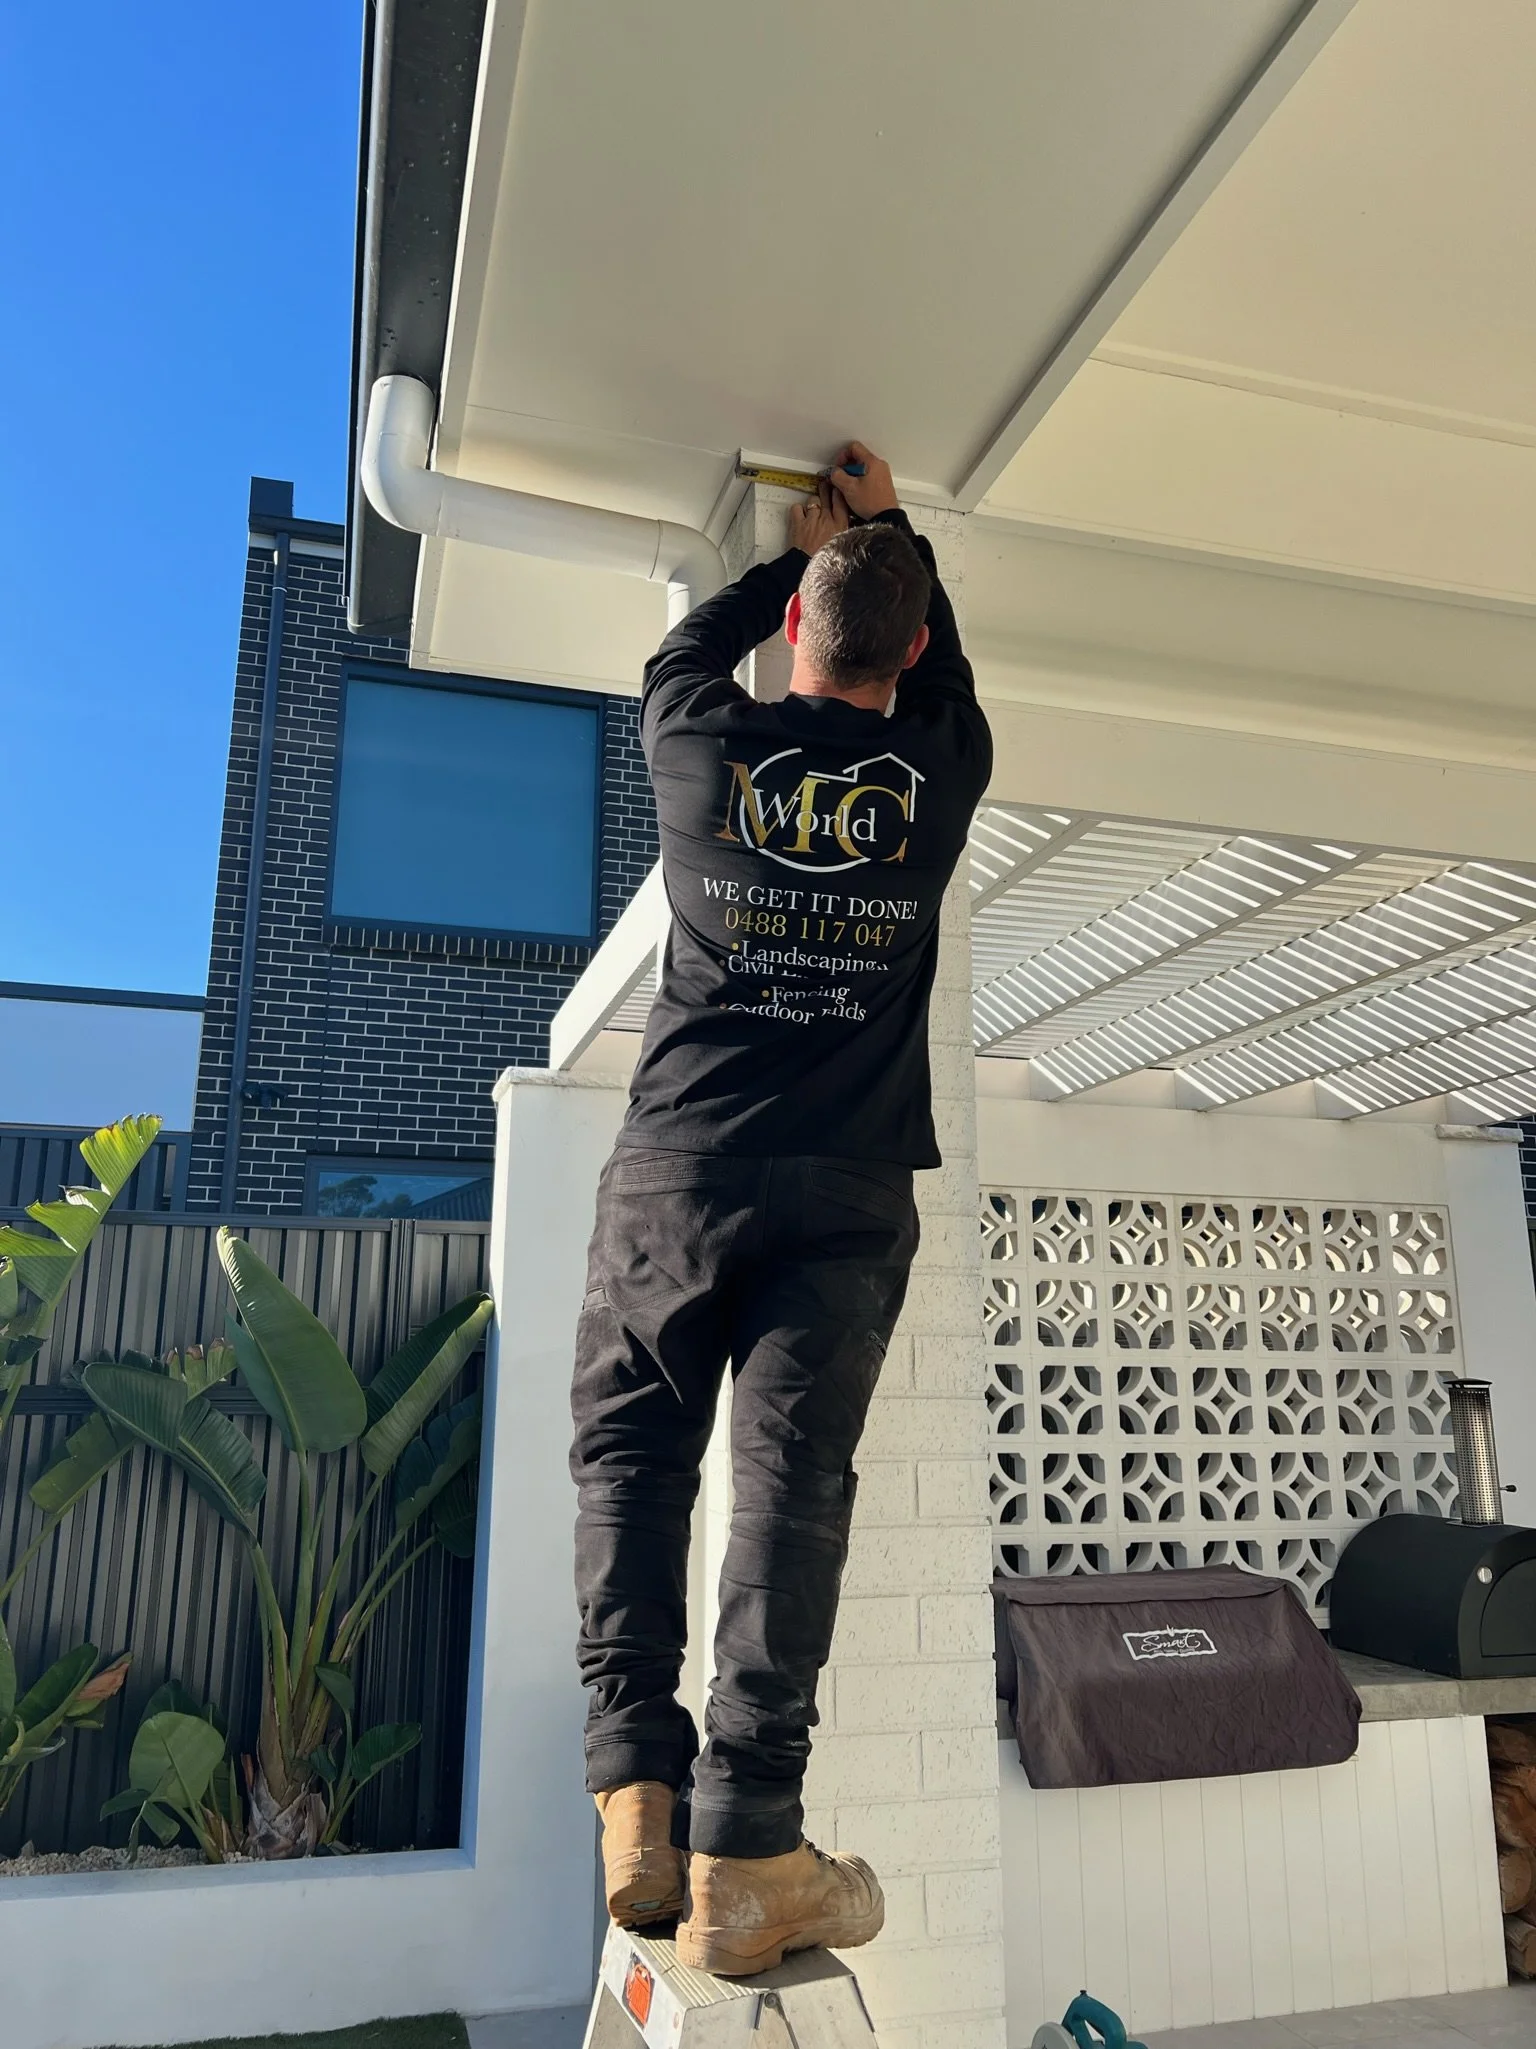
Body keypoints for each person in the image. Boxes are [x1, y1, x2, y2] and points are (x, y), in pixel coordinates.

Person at [569, 443, 992, 1976]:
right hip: (847, 1190)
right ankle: (749, 1845)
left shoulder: (700, 744)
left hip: (679, 1169)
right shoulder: (945, 767)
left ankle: (635, 1793)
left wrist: (808, 555)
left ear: (791, 633)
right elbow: (938, 673)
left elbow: (681, 647)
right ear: (917, 650)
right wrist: (891, 534)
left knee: (634, 1459)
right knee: (790, 1496)